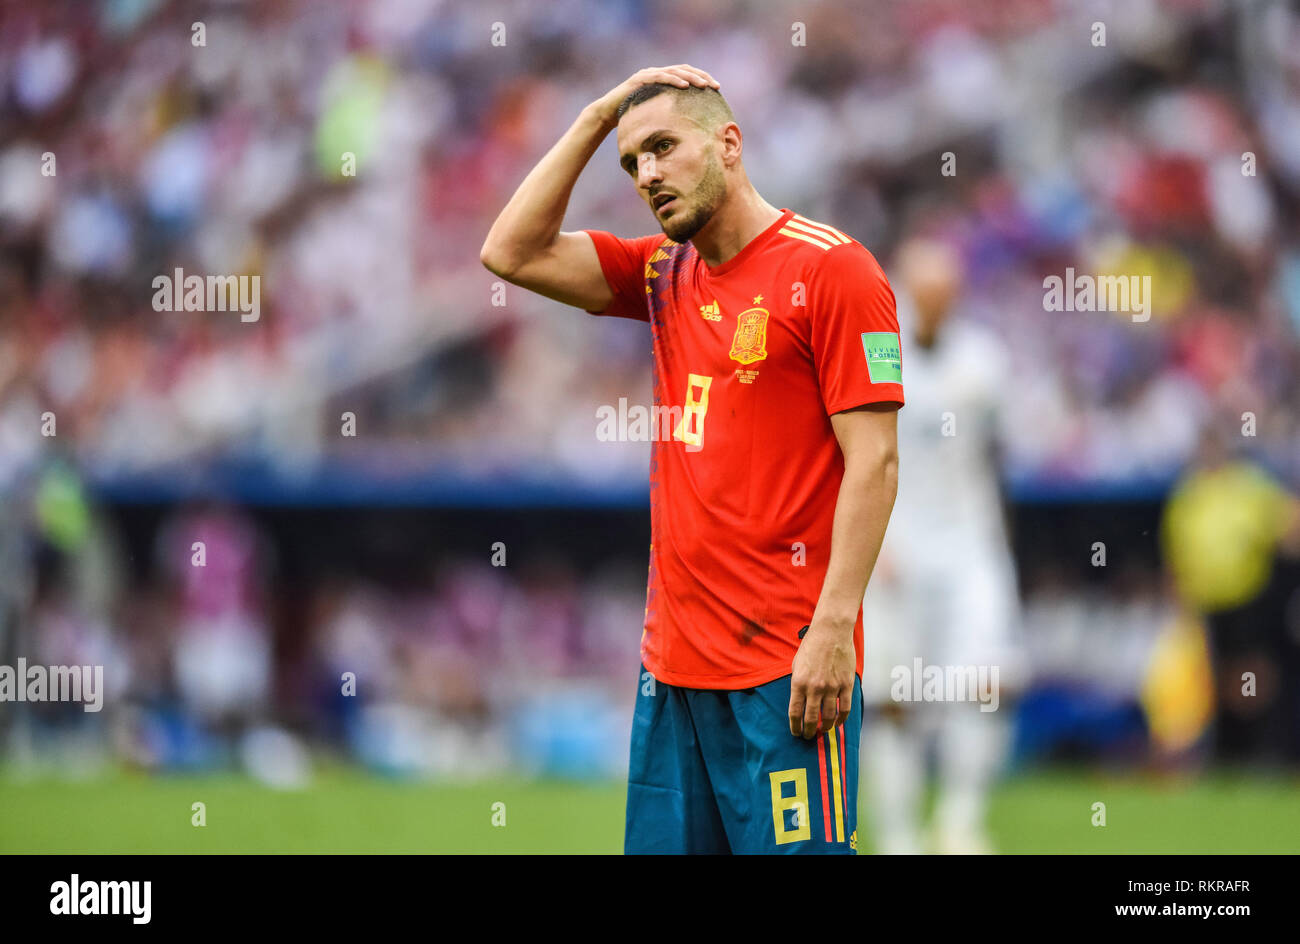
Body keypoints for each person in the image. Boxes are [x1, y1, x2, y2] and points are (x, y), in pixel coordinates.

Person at [481, 65, 903, 853]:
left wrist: (834, 627)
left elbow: (874, 462)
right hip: (671, 672)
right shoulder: (661, 274)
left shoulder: (833, 269)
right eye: (632, 161)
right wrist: (598, 116)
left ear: (729, 144)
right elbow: (510, 251)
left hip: (785, 667)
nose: (646, 175)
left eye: (664, 147)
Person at [859, 237, 1022, 854]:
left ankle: (960, 822)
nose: (934, 303)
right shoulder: (878, 347)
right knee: (896, 697)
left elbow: (997, 456)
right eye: (923, 291)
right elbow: (857, 447)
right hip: (896, 543)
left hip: (969, 542)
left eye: (944, 292)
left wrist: (998, 542)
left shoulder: (985, 359)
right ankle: (898, 835)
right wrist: (876, 539)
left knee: (983, 681)